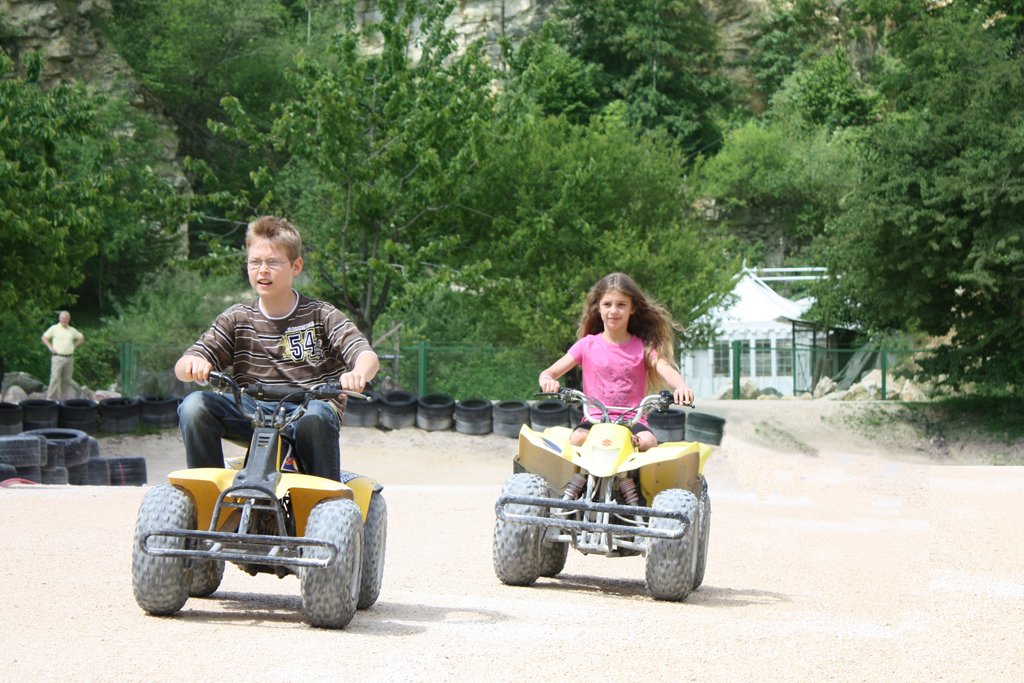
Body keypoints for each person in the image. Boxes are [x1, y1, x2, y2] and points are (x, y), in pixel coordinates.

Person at [174, 216, 379, 481]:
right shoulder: (237, 318)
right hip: (251, 410)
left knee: (316, 415)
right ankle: (206, 493)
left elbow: (366, 355)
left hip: (308, 409)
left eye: (272, 262)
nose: (262, 271)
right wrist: (193, 364)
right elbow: (183, 366)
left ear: (296, 266)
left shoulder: (321, 314)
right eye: (255, 262)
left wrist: (358, 374)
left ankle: (325, 500)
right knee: (194, 407)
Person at [538, 272, 694, 452]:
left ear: (632, 308)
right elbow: (548, 373)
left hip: (631, 422)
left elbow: (666, 369)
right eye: (607, 304)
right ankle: (575, 481)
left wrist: (681, 386)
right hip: (595, 421)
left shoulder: (643, 347)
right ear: (599, 307)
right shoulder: (586, 345)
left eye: (621, 305)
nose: (613, 311)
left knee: (648, 441)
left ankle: (633, 481)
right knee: (577, 438)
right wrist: (547, 381)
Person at [42, 310, 85, 400]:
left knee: (66, 380)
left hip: (69, 358)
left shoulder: (72, 330)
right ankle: (50, 399)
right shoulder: (54, 328)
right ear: (59, 318)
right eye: (62, 318)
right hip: (58, 357)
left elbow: (81, 338)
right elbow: (44, 337)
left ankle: (64, 399)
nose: (64, 320)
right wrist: (50, 347)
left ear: (68, 319)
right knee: (54, 378)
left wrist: (74, 346)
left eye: (65, 318)